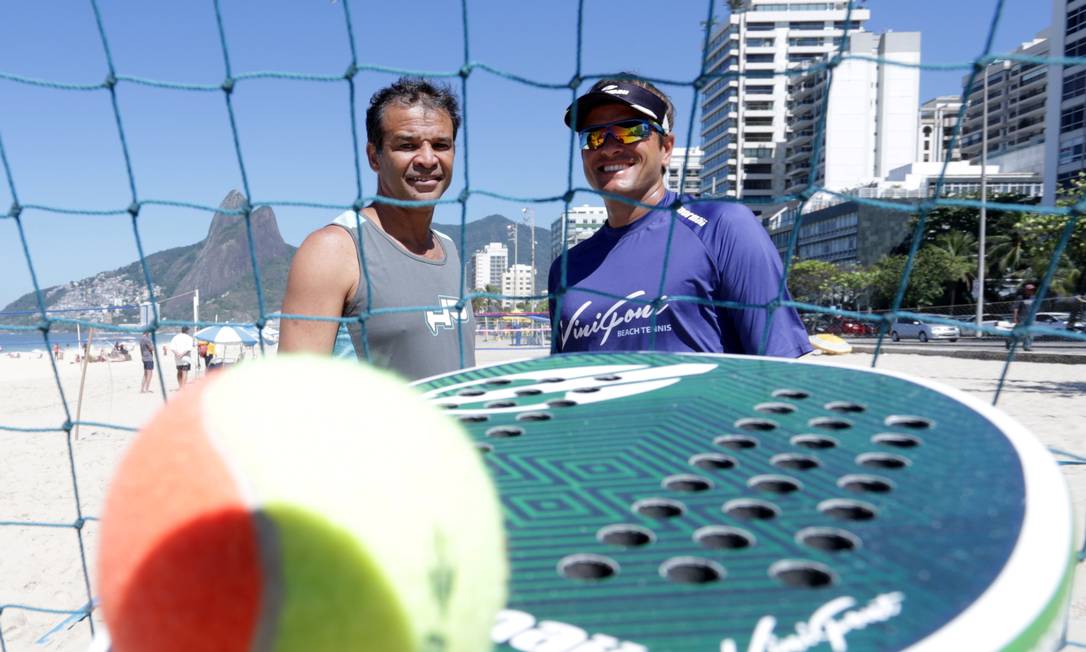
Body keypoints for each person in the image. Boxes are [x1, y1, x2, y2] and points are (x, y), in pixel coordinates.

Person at [548, 77, 811, 357]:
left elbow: (785, 364)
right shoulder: (566, 269)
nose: (609, 147)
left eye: (631, 131)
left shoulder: (723, 227)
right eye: (594, 136)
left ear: (666, 148)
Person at [279, 77, 474, 380]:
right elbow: (292, 393)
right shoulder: (333, 249)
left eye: (440, 145)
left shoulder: (449, 247)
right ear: (374, 156)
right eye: (407, 145)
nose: (427, 159)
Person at [1006, 282, 1036, 351]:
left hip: (1031, 319)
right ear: (1025, 290)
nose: (1032, 291)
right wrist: (1015, 318)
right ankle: (1009, 342)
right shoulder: (1020, 297)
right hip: (1021, 318)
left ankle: (1027, 347)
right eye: (1030, 290)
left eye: (1033, 290)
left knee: (1030, 333)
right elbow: (1016, 308)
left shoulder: (1034, 297)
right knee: (1016, 333)